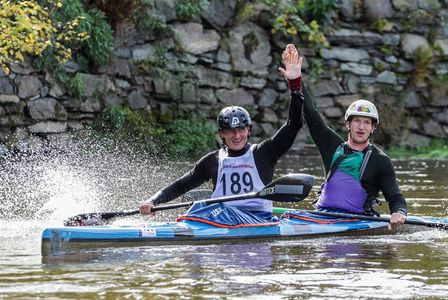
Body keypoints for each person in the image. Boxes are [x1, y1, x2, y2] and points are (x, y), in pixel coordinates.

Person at [138, 49, 304, 223]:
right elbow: (181, 185)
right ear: (222, 134)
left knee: (203, 208)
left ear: (248, 130)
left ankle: (192, 221)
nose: (237, 135)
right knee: (200, 206)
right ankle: (188, 224)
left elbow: (294, 124)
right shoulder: (212, 160)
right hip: (221, 219)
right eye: (231, 131)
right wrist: (152, 201)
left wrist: (294, 85)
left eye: (241, 130)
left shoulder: (264, 152)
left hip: (258, 219)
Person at [282, 44, 407, 229]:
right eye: (357, 121)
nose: (361, 127)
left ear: (373, 128)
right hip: (321, 217)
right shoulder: (332, 146)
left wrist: (399, 212)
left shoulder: (381, 161)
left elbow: (395, 197)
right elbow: (310, 113)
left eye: (367, 123)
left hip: (358, 222)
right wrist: (295, 81)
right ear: (347, 124)